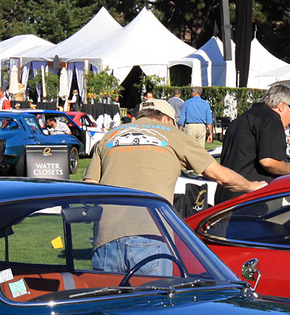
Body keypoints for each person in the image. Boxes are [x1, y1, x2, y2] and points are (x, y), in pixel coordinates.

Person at [86, 99, 262, 274]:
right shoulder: (172, 133)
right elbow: (222, 177)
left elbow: (89, 185)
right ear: (166, 119)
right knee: (154, 301)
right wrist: (253, 186)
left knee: (111, 301)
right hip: (151, 233)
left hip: (105, 236)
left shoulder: (110, 135)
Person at [215, 82, 290, 204]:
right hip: (252, 202)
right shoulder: (271, 119)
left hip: (226, 198)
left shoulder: (242, 119)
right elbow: (269, 162)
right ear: (282, 106)